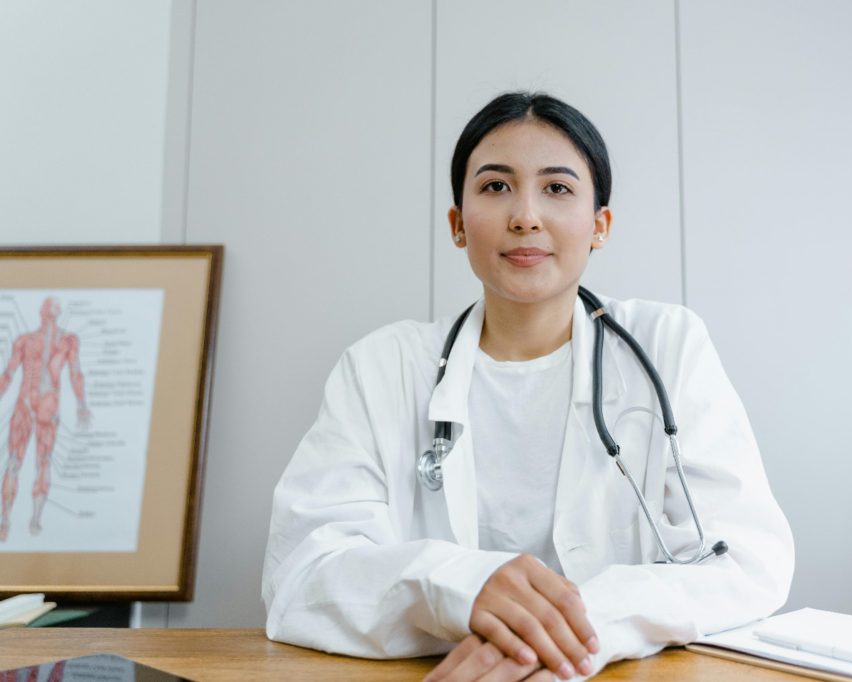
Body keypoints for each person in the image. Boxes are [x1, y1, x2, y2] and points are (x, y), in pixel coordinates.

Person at [262, 92, 794, 681]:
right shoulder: (382, 366)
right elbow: (301, 574)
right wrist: (460, 589)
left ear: (600, 226)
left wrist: (571, 631)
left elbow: (745, 561)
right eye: (495, 187)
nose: (525, 216)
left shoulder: (665, 345)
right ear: (458, 224)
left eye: (558, 188)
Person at [0, 297, 91, 541]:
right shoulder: (26, 341)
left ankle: (32, 519)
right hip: (29, 407)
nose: (50, 316)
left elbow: (75, 373)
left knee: (42, 463)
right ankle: (8, 519)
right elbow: (7, 374)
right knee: (16, 462)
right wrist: (81, 404)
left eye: (52, 312)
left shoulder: (67, 341)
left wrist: (82, 404)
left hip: (44, 409)